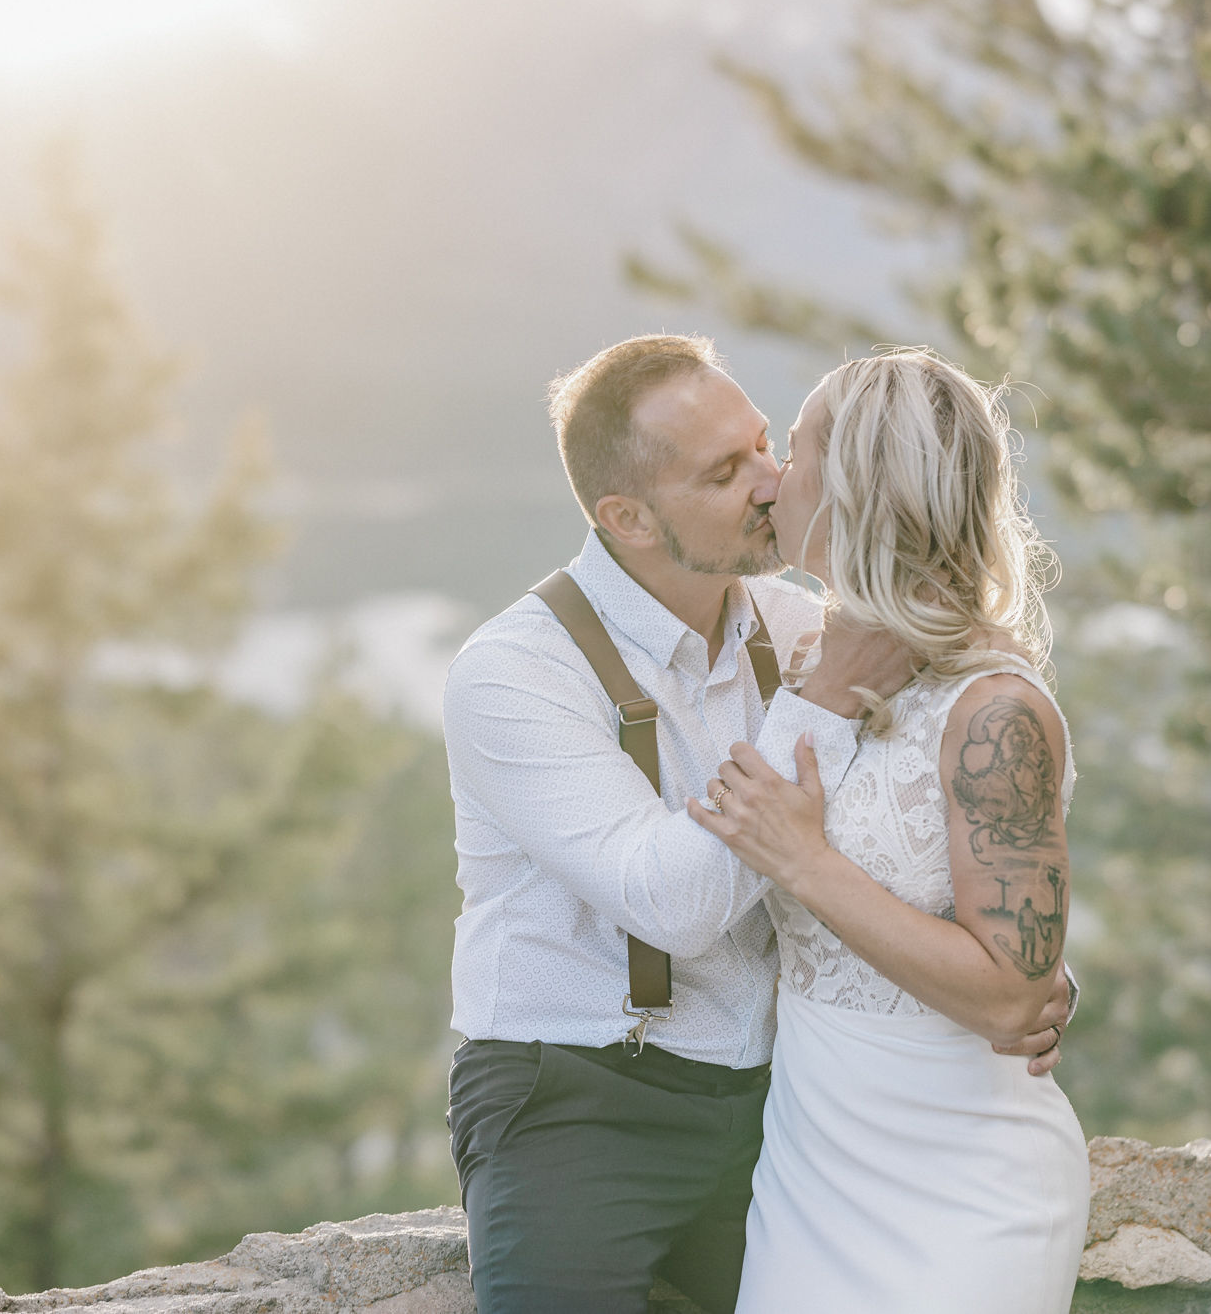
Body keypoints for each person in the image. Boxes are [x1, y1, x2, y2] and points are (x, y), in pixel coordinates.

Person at [441, 334, 1074, 1314]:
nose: (772, 480)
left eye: (767, 445)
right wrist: (819, 695)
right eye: (724, 470)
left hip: (786, 1108)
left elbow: (959, 805)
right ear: (626, 515)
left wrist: (1017, 962)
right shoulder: (515, 674)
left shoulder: (804, 626)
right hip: (581, 1099)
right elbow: (673, 902)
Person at [689, 348, 1091, 1313]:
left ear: (858, 485)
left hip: (965, 1190)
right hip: (808, 1177)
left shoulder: (995, 711)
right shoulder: (804, 658)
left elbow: (1007, 997)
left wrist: (808, 863)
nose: (776, 480)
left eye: (793, 451)